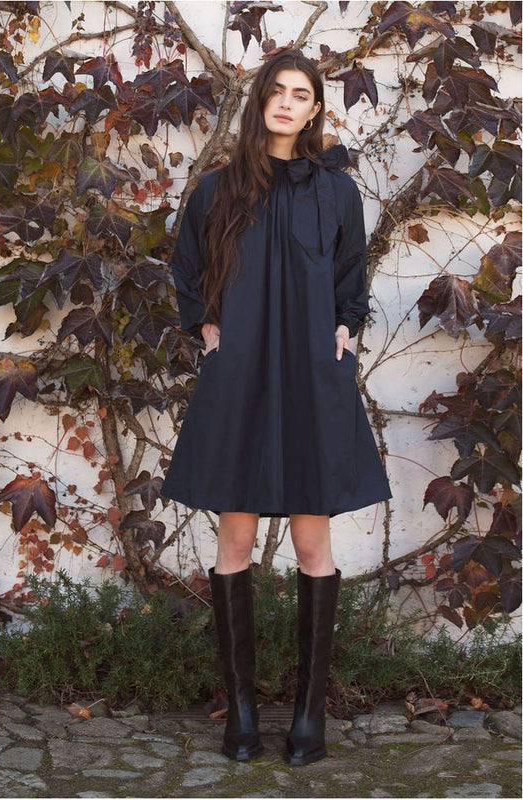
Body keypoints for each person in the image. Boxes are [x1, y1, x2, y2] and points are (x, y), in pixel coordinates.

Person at [160, 50, 392, 766]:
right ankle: (241, 716)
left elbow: (351, 275)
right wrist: (206, 327)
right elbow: (186, 267)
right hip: (241, 375)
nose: (288, 103)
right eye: (278, 91)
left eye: (302, 95)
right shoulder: (217, 190)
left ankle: (308, 718)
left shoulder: (336, 193)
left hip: (311, 377)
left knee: (312, 543)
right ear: (261, 99)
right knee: (234, 538)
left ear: (315, 110)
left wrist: (345, 327)